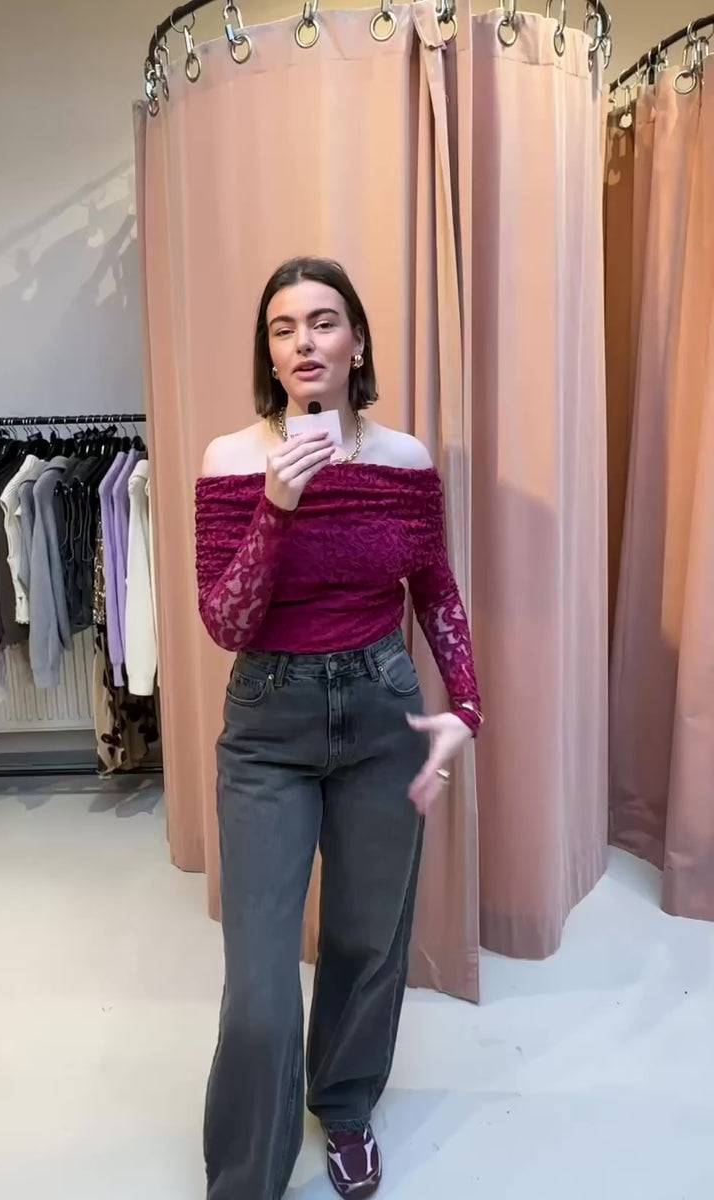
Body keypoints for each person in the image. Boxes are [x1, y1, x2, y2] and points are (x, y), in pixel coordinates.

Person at [194, 257, 482, 1200]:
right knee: (261, 983)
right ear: (269, 355)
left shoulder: (404, 462)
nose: (303, 342)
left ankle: (347, 1105)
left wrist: (465, 707)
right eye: (282, 328)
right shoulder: (231, 461)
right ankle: (246, 1175)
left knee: (366, 939)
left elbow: (435, 590)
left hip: (381, 711)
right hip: (267, 726)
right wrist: (277, 506)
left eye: (323, 322)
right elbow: (227, 622)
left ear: (356, 341)